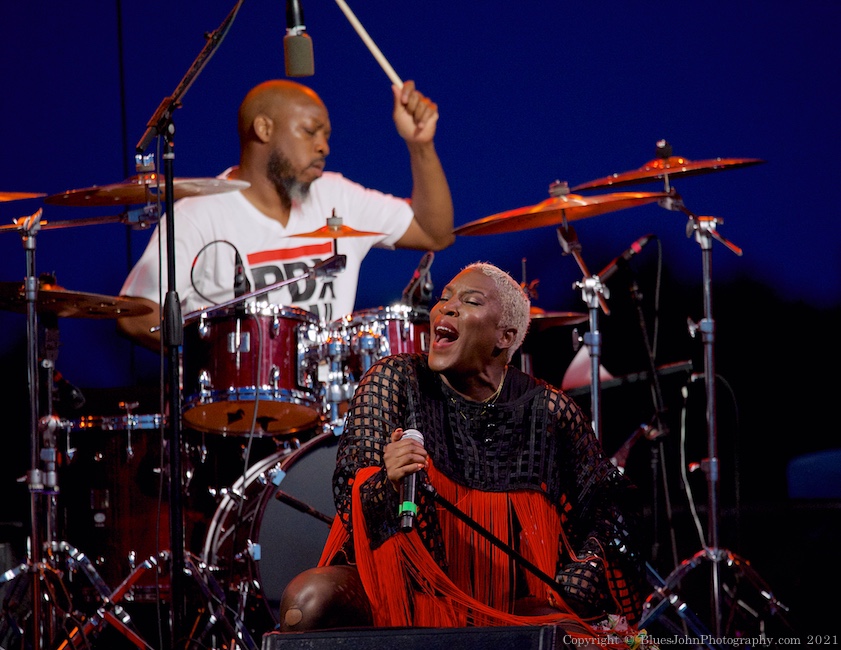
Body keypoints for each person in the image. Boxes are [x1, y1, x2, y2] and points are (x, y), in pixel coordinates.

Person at [276, 262, 649, 640]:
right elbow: (355, 508)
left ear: (504, 336)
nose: (446, 308)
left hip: (507, 600)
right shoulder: (395, 380)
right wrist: (388, 482)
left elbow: (612, 505)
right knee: (307, 602)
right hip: (403, 584)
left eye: (469, 301)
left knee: (572, 640)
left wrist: (585, 568)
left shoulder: (548, 410)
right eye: (444, 299)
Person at [116, 79, 454, 350]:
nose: (324, 147)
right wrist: (213, 358)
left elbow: (433, 233)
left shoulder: (336, 195)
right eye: (310, 132)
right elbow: (136, 315)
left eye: (327, 136)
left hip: (335, 411)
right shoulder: (197, 215)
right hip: (237, 415)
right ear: (263, 129)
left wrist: (420, 145)